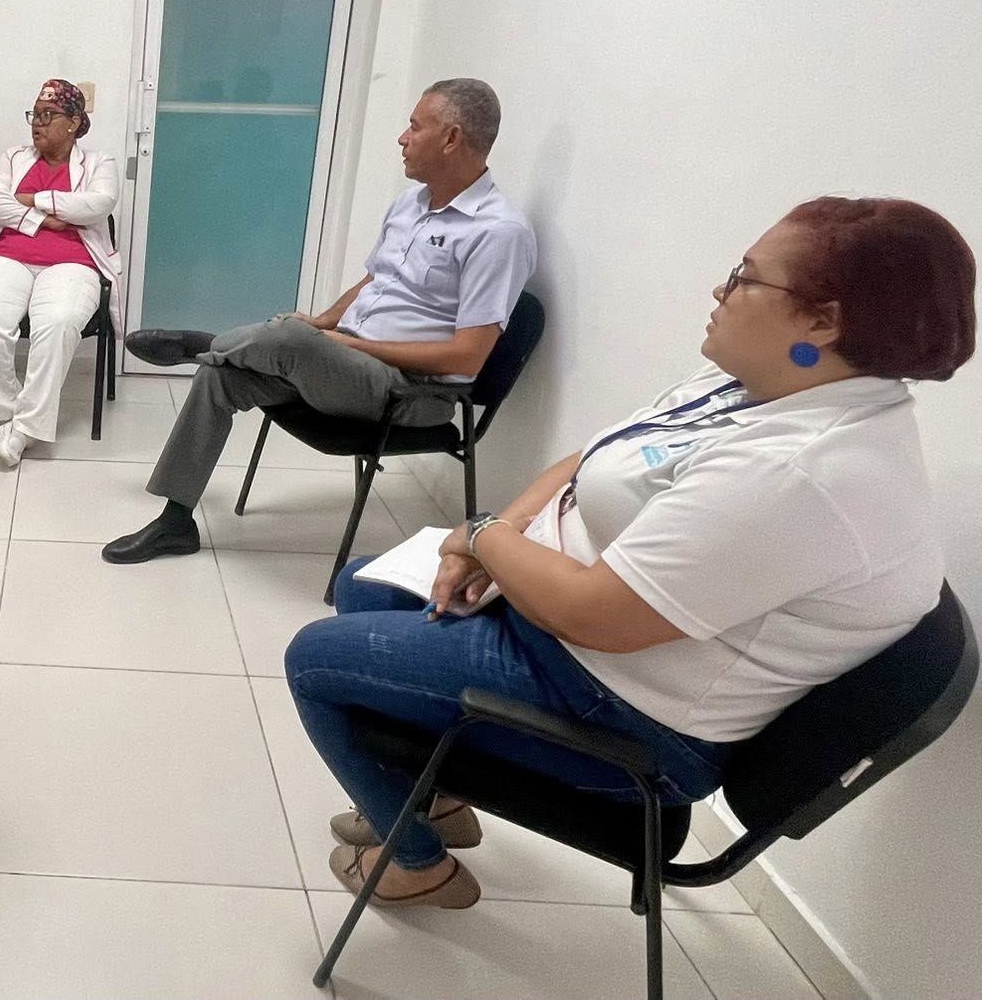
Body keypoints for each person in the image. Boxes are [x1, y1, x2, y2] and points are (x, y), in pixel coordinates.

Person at [286, 196, 974, 908]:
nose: (721, 289)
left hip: (623, 711)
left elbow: (595, 617)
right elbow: (593, 460)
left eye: (745, 276)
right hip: (574, 635)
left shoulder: (803, 473)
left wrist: (484, 537)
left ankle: (417, 864)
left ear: (822, 322)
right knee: (363, 586)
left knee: (315, 660)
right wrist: (501, 536)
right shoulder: (762, 384)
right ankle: (435, 801)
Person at [103, 78, 536, 563]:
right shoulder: (412, 204)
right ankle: (175, 521)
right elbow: (376, 279)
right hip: (348, 363)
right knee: (222, 375)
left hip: (412, 392)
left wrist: (347, 346)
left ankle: (208, 341)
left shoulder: (498, 233)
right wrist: (325, 321)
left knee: (289, 339)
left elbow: (468, 355)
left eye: (415, 126)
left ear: (452, 138)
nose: (402, 137)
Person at [0, 79, 121, 468]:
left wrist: (34, 200)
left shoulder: (100, 164)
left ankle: (23, 428)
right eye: (35, 114)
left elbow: (97, 204)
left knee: (59, 321)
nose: (38, 123)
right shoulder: (13, 157)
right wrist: (46, 221)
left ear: (74, 122)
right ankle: (18, 416)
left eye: (49, 115)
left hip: (73, 261)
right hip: (10, 255)